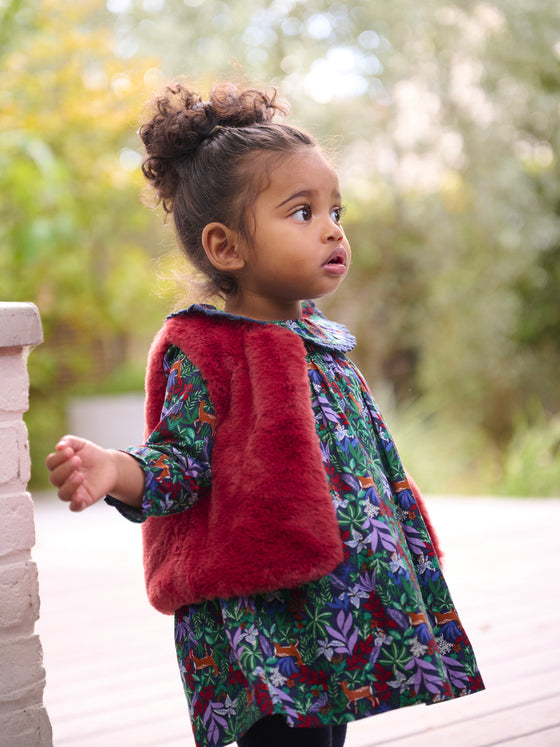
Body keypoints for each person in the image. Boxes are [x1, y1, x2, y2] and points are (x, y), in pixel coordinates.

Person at [46, 81, 484, 747]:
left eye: (336, 209)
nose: (334, 227)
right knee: (285, 737)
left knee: (325, 732)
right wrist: (113, 468)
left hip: (335, 597)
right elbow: (177, 463)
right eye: (302, 212)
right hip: (267, 614)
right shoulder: (208, 350)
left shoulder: (318, 338)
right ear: (226, 247)